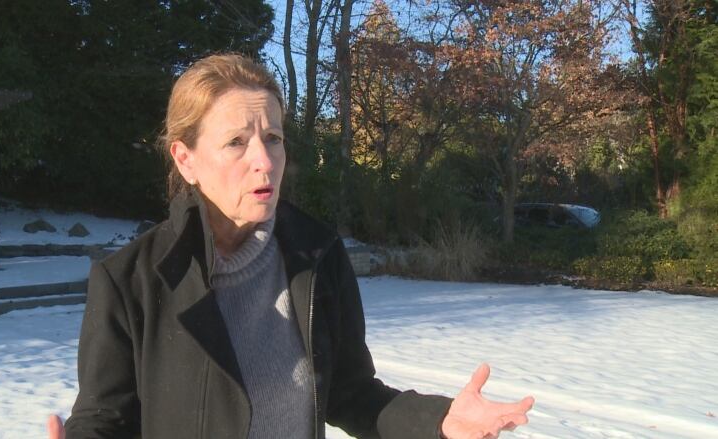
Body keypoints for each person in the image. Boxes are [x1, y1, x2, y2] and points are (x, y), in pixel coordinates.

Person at [47, 53, 534, 439]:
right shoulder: (129, 282)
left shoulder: (318, 257)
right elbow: (104, 420)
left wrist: (440, 422)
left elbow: (351, 393)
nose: (264, 160)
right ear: (186, 158)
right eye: (237, 141)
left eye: (273, 138)